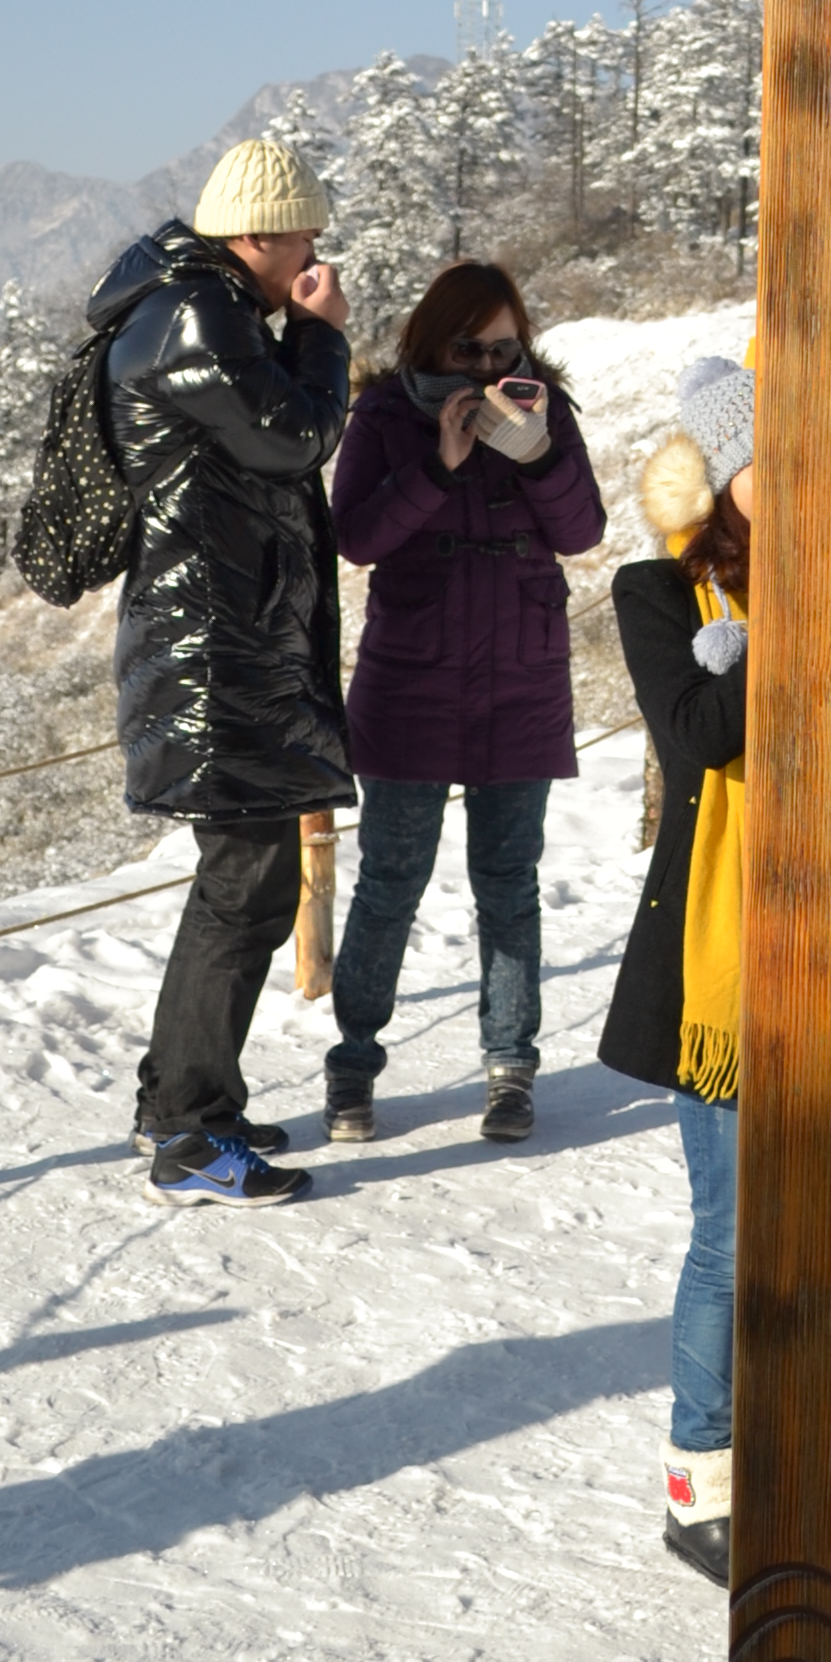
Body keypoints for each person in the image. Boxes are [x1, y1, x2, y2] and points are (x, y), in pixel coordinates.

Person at [93, 135, 353, 1204]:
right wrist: (325, 337)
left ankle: (188, 1102)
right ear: (256, 233)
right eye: (303, 235)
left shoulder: (205, 308)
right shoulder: (196, 318)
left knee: (249, 880)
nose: (314, 251)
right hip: (215, 652)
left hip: (228, 640)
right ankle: (188, 1136)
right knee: (245, 885)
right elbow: (295, 438)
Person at [320, 260, 605, 1149]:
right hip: (413, 678)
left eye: (504, 345)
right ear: (430, 342)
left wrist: (541, 456)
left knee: (509, 885)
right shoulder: (386, 414)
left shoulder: (543, 411)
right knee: (390, 884)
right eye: (469, 346)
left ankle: (509, 1068)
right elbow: (357, 537)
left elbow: (583, 532)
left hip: (522, 677)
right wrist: (440, 468)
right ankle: (353, 1066)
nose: (488, 365)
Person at [603, 352, 754, 1586]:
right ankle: (698, 1482)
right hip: (725, 969)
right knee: (737, 1233)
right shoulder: (660, 595)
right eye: (767, 465)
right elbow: (701, 734)